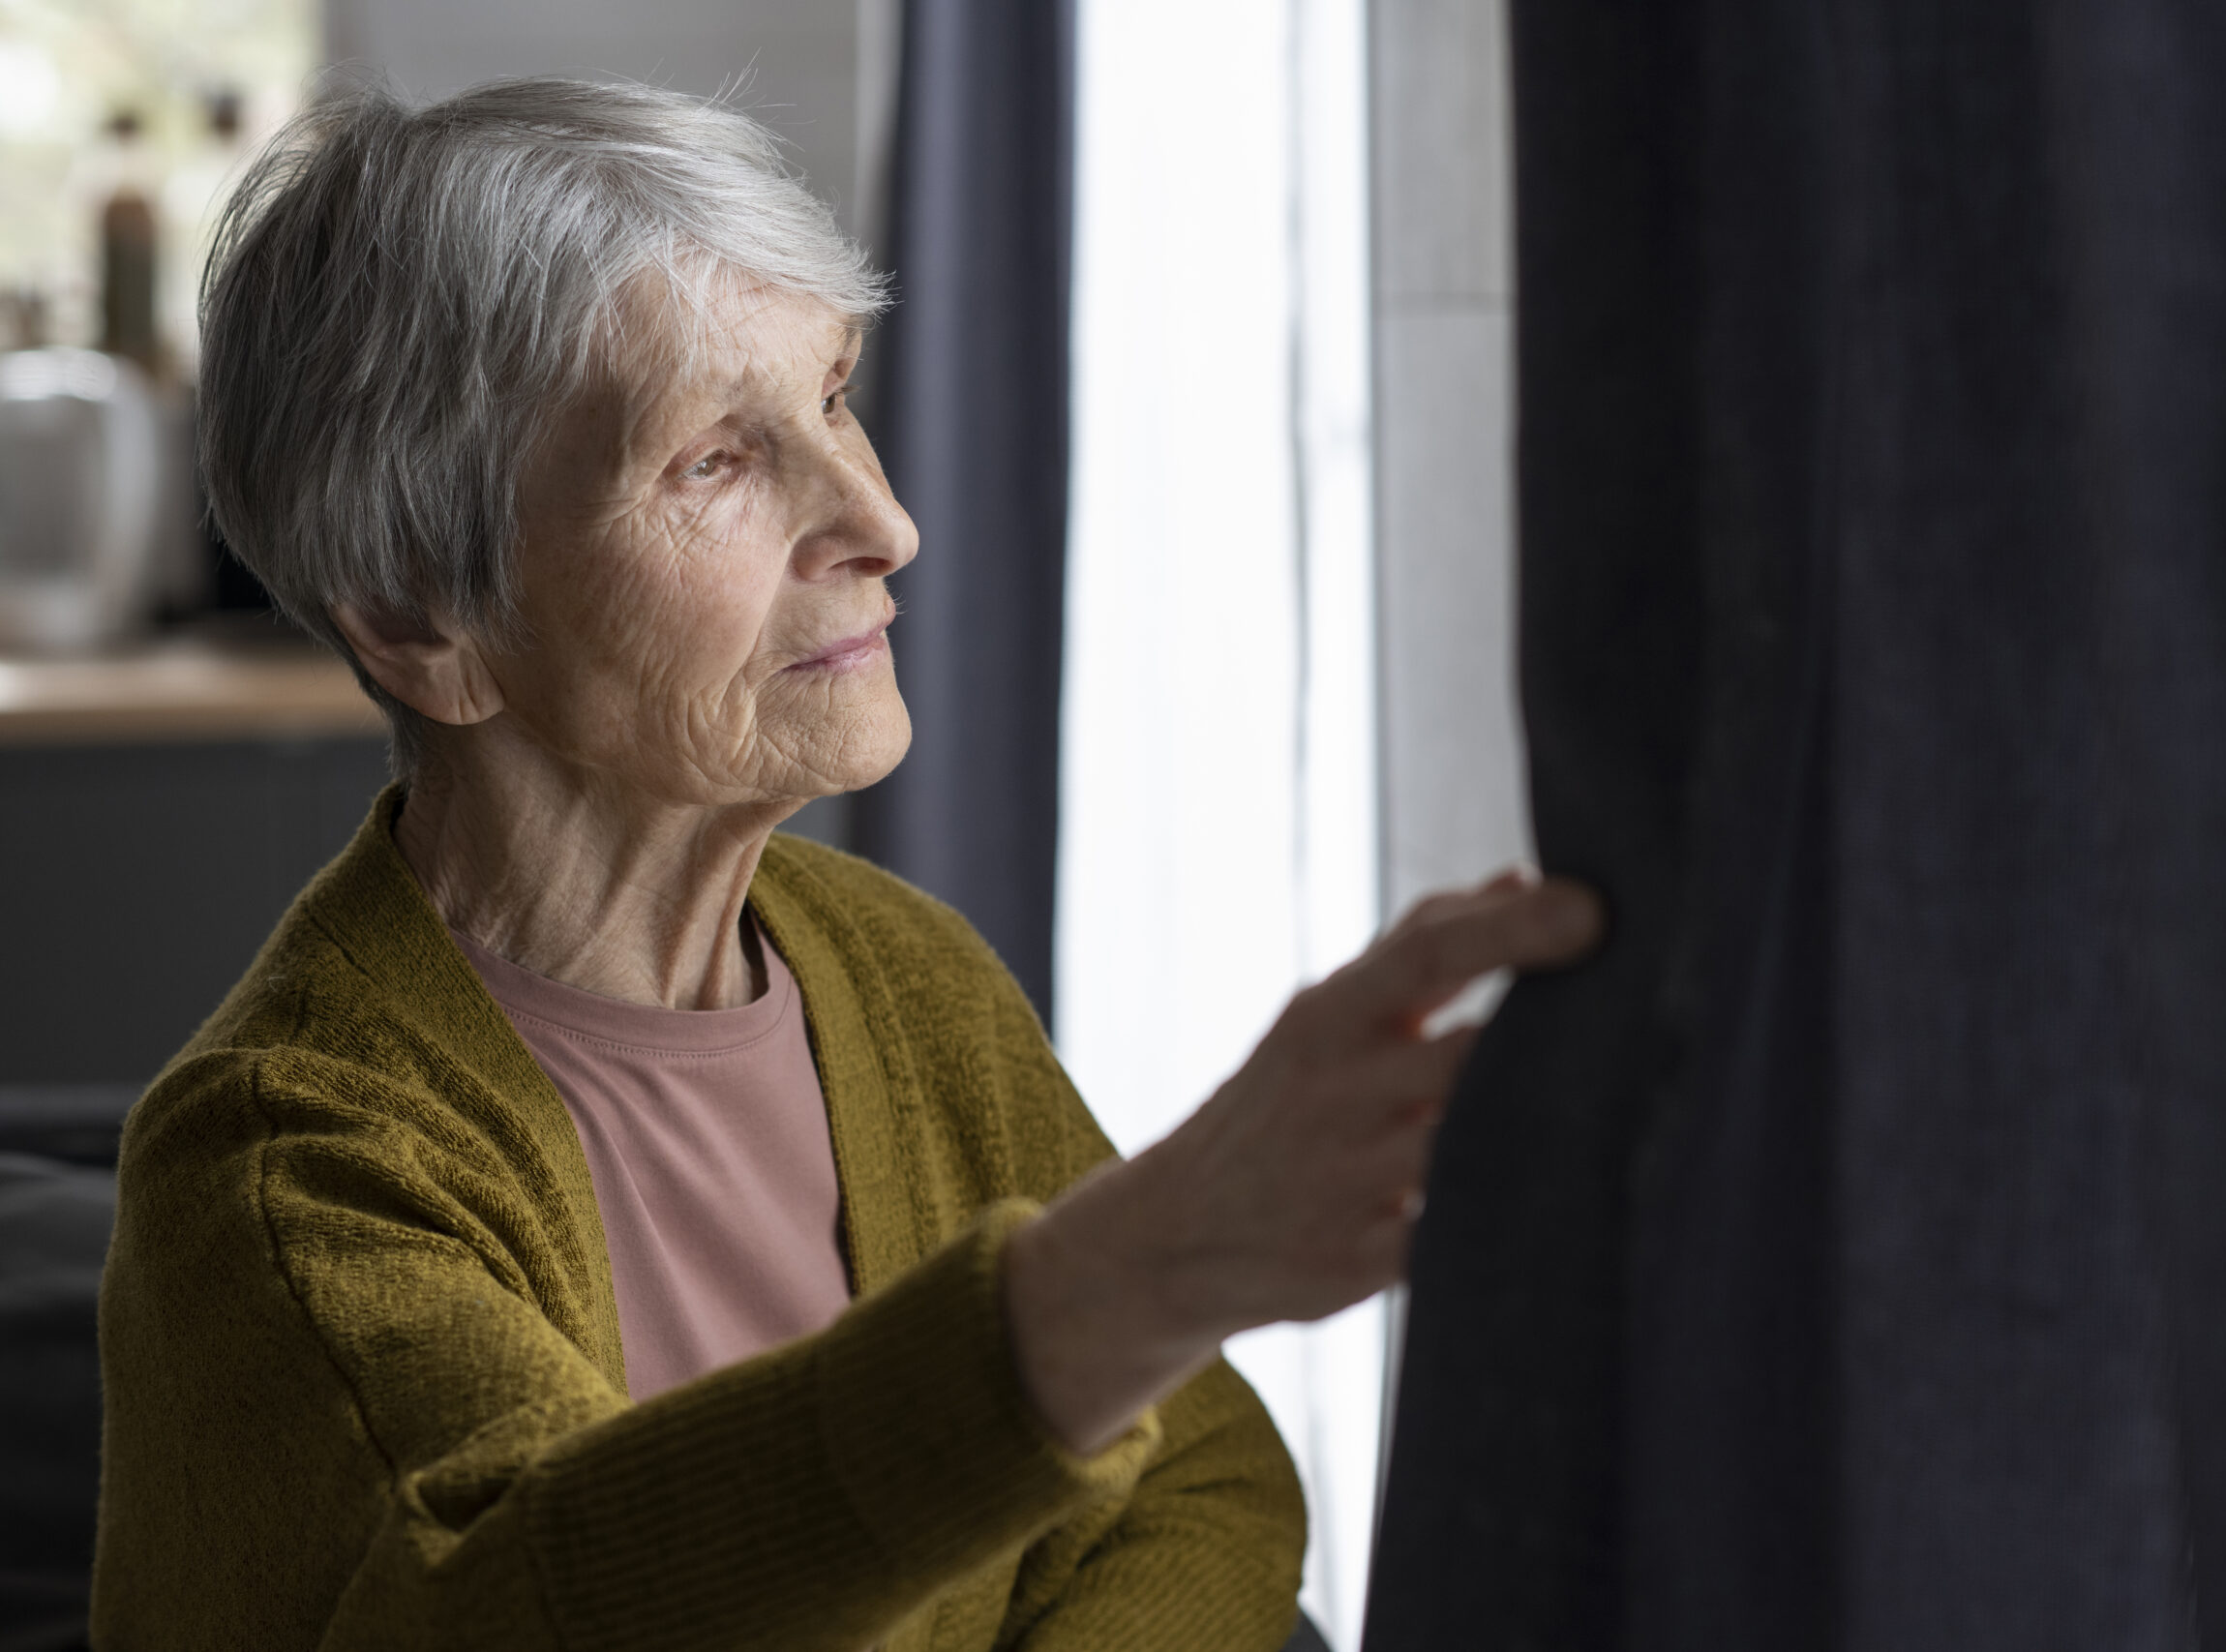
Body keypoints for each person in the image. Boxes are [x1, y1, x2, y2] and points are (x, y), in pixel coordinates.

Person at [91, 78, 1600, 1651]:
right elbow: (530, 1604)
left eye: (835, 395)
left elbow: (1208, 1485)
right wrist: (1124, 1284)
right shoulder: (280, 1171)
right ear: (421, 623)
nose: (882, 519)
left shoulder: (895, 971)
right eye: (713, 463)